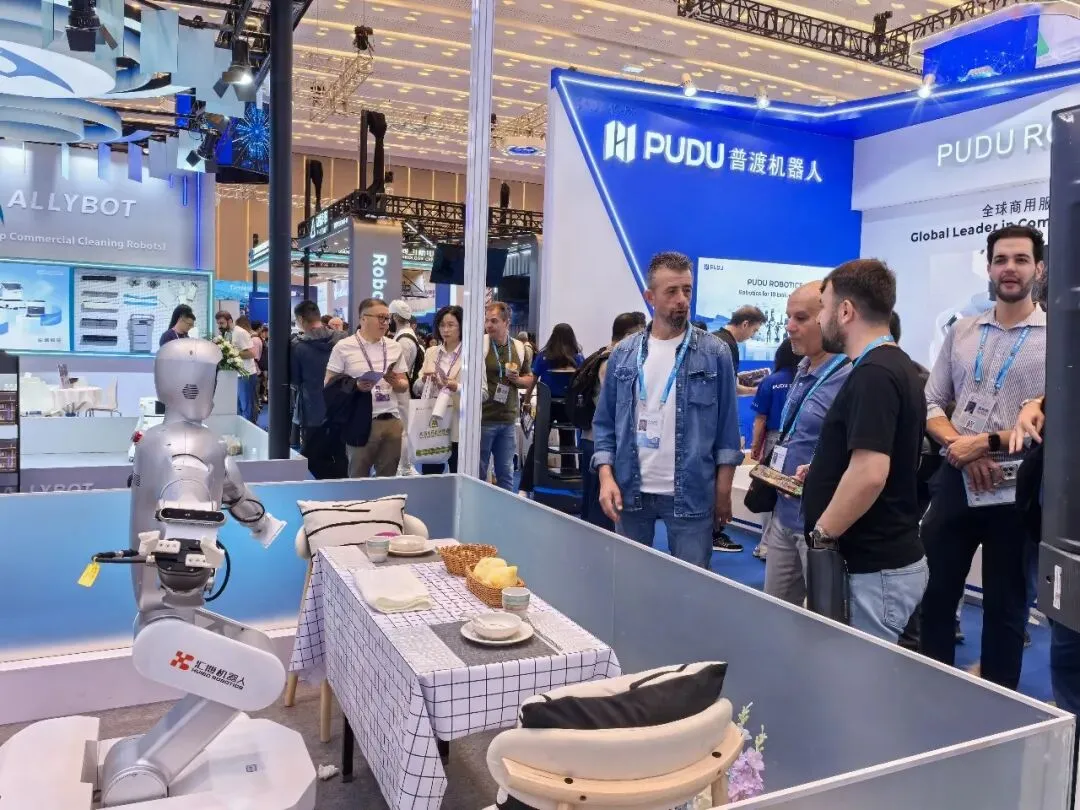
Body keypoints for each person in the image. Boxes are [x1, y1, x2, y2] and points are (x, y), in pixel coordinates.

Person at [919, 225, 1047, 689]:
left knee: (1006, 607)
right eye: (1001, 260)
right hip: (956, 478)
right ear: (989, 268)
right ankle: (928, 688)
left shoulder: (1059, 339)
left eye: (1021, 260)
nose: (1010, 268)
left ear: (1039, 269)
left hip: (1017, 486)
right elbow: (931, 402)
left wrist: (986, 443)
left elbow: (1054, 418)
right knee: (934, 594)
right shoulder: (962, 331)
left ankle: (999, 700)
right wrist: (963, 446)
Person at [798, 259, 928, 643]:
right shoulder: (890, 366)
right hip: (879, 566)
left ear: (845, 311)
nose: (819, 319)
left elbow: (870, 474)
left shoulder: (875, 374)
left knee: (859, 675)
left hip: (872, 569)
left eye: (823, 308)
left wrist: (822, 535)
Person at [593, 251, 742, 569]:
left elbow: (728, 429)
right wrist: (606, 476)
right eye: (671, 291)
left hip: (692, 492)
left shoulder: (715, 353)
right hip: (629, 489)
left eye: (687, 290)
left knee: (691, 586)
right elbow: (604, 423)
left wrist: (723, 491)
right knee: (630, 582)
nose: (682, 300)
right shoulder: (624, 353)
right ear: (650, 297)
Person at [759, 282, 851, 603]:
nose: (789, 327)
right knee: (775, 612)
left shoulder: (850, 376)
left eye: (800, 318)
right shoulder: (803, 367)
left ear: (828, 318)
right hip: (784, 516)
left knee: (826, 618)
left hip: (820, 525)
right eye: (788, 317)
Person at [325, 298, 411, 478]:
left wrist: (395, 382)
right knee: (358, 477)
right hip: (360, 421)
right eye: (381, 317)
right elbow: (329, 384)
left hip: (392, 420)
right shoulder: (343, 347)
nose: (385, 323)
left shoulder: (394, 346)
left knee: (388, 479)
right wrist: (355, 385)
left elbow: (404, 386)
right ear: (363, 318)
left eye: (387, 318)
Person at [579, 312, 646, 530]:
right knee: (602, 514)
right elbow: (611, 410)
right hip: (603, 445)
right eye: (641, 332)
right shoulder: (612, 361)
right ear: (629, 334)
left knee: (593, 508)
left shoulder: (602, 355)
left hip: (592, 440)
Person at [520, 323, 584, 496]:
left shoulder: (543, 357)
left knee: (538, 444)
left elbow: (533, 381)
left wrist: (527, 401)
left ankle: (524, 487)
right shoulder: (578, 358)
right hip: (568, 407)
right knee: (568, 443)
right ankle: (570, 483)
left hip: (546, 405)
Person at [480, 302, 535, 490]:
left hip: (508, 419)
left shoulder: (519, 348)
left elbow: (530, 379)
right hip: (483, 419)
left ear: (506, 322)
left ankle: (506, 507)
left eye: (494, 321)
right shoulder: (480, 345)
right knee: (479, 473)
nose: (489, 325)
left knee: (506, 474)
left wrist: (517, 379)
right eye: (487, 321)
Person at [291, 300, 346, 449]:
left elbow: (295, 380)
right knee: (340, 455)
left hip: (312, 410)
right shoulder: (343, 339)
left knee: (312, 455)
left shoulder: (298, 346)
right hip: (341, 408)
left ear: (301, 319)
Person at [419, 305, 464, 475]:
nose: (445, 330)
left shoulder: (471, 355)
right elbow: (417, 385)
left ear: (461, 326)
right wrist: (424, 380)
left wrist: (456, 387)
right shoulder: (431, 352)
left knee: (457, 474)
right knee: (430, 475)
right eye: (442, 325)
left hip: (458, 421)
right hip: (433, 421)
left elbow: (481, 392)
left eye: (451, 325)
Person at [389, 299, 424, 477]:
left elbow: (400, 368)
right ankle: (404, 466)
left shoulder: (403, 340)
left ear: (395, 317)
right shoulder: (407, 336)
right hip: (404, 389)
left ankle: (404, 466)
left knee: (403, 430)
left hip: (402, 390)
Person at [713, 305, 766, 394]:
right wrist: (760, 391)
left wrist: (737, 377)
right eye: (754, 330)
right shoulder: (729, 346)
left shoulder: (714, 336)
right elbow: (730, 388)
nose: (753, 335)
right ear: (745, 324)